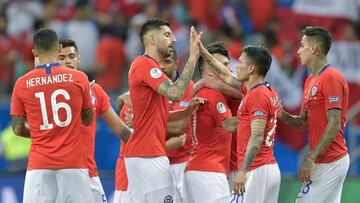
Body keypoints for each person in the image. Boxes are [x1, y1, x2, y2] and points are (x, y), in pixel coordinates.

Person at [10, 28, 94, 203]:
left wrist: (43, 133)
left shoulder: (22, 83)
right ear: (58, 49)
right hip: (73, 162)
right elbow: (88, 119)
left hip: (39, 164)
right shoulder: (79, 78)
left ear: (34, 52)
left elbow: (17, 128)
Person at [125, 18, 201, 202]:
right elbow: (175, 92)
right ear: (152, 39)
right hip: (148, 155)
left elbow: (156, 116)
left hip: (142, 154)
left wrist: (185, 112)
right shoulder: (145, 64)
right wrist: (192, 57)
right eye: (167, 35)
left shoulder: (147, 67)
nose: (174, 39)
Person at [198, 43, 280, 203]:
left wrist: (243, 171)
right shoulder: (264, 89)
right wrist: (203, 51)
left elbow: (256, 136)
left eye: (240, 62)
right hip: (268, 167)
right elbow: (227, 76)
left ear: (251, 69)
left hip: (256, 169)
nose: (236, 67)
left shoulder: (257, 96)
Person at [278, 26, 349, 203]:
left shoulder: (331, 77)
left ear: (314, 48)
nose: (298, 50)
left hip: (331, 160)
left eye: (302, 46)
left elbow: (334, 124)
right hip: (323, 159)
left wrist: (310, 158)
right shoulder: (310, 80)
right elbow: (303, 123)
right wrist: (281, 114)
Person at [58, 38, 132, 203]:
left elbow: (121, 130)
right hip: (56, 174)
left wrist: (151, 141)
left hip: (88, 173)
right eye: (61, 58)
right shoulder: (49, 94)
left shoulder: (95, 91)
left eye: (71, 56)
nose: (68, 61)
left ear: (79, 59)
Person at [183, 42, 238, 203]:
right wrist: (258, 116)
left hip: (198, 168)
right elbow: (229, 125)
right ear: (209, 71)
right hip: (209, 172)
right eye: (223, 65)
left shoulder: (210, 90)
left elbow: (246, 89)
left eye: (228, 64)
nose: (229, 69)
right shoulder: (213, 94)